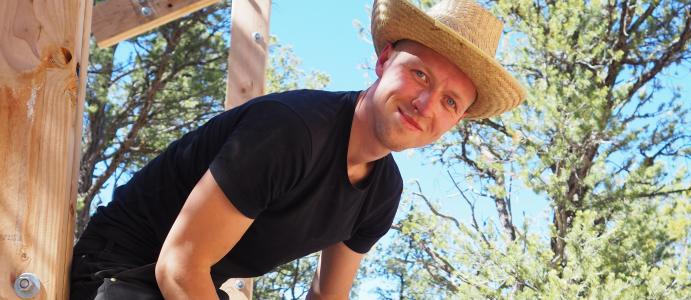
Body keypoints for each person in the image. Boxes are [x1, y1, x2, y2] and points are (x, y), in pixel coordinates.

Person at [69, 0, 526, 299]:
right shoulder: (292, 131)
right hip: (117, 276)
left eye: (450, 101)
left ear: (456, 120)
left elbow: (328, 296)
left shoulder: (382, 192)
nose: (425, 105)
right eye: (420, 74)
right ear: (385, 60)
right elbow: (178, 266)